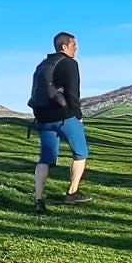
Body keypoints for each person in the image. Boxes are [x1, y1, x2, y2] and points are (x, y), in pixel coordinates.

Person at [30, 31, 89, 211]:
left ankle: (39, 199)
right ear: (64, 46)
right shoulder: (69, 63)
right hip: (65, 117)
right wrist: (78, 115)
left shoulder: (43, 65)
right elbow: (73, 93)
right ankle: (72, 193)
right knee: (81, 153)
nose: (77, 48)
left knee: (45, 159)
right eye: (74, 44)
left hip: (43, 118)